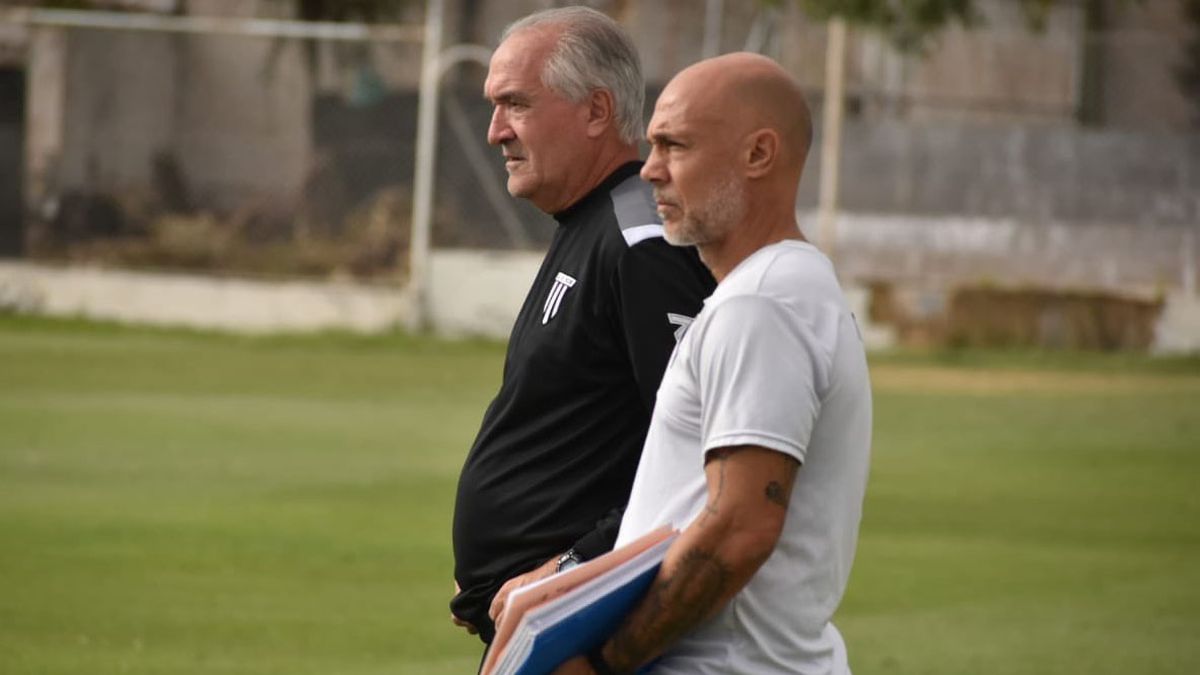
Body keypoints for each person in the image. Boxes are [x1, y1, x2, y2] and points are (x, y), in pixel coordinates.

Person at [555, 53, 873, 675]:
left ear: (758, 155)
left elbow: (739, 527)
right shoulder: (781, 288)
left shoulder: (760, 305)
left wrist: (606, 662)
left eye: (674, 146)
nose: (650, 171)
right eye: (651, 146)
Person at [450, 7, 716, 648]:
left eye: (515, 103)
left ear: (596, 112)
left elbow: (701, 458)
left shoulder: (641, 244)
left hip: (580, 629)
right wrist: (490, 580)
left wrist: (568, 572)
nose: (495, 132)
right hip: (540, 617)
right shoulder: (593, 224)